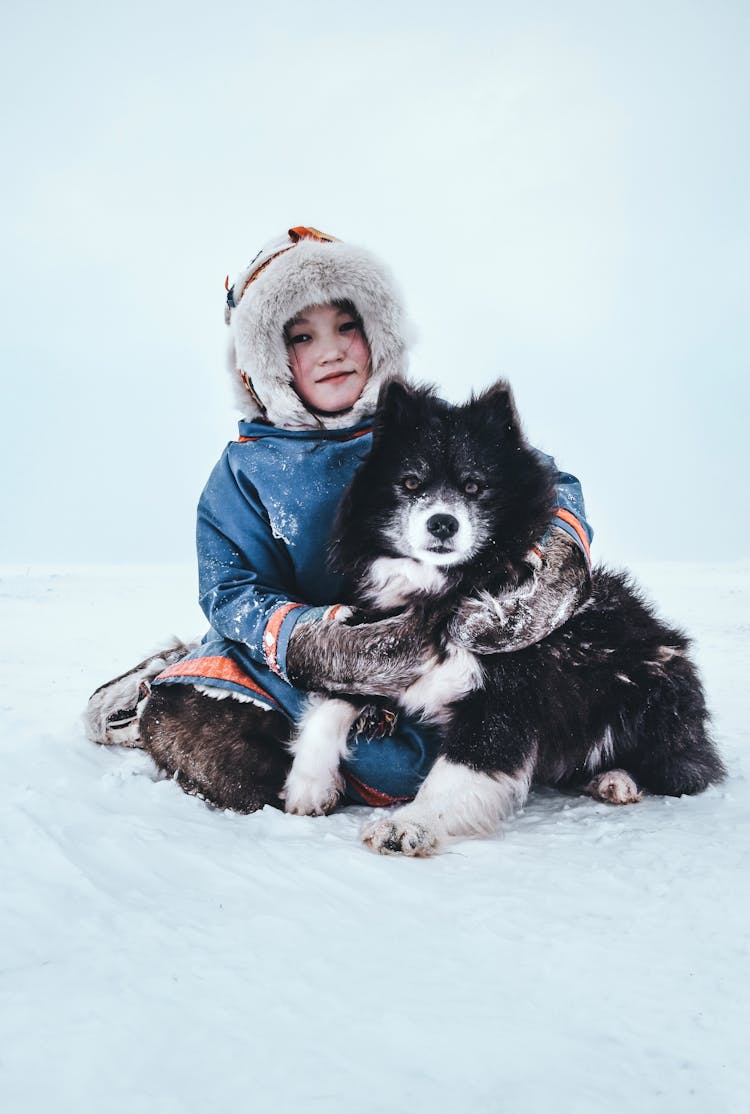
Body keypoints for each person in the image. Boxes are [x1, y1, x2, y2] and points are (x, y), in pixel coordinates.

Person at [85, 226, 593, 814]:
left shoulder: (421, 428)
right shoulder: (248, 470)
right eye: (302, 336)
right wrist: (313, 638)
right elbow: (230, 587)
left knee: (407, 768)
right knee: (236, 764)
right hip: (300, 646)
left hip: (416, 646)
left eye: (347, 327)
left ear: (377, 332)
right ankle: (177, 681)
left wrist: (555, 559)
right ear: (268, 363)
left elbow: (544, 483)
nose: (330, 350)